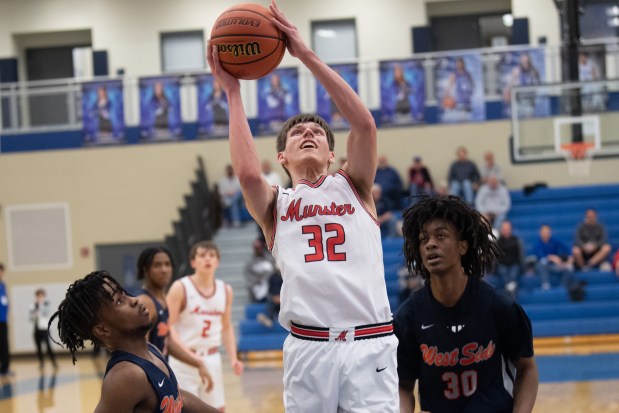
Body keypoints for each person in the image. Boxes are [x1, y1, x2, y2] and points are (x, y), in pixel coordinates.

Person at [206, 1, 399, 410]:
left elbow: (364, 125)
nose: (307, 132)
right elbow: (247, 176)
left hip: (370, 344)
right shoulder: (276, 205)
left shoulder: (355, 185)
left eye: (317, 131)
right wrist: (233, 91)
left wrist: (305, 54)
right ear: (282, 158)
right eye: (297, 133)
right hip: (309, 349)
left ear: (333, 154)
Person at [394, 195, 538, 413]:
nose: (431, 243)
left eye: (441, 236)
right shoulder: (407, 317)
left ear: (463, 246)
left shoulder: (499, 306)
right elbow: (403, 385)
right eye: (424, 239)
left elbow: (527, 368)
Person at [47, 271, 220, 413]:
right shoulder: (126, 376)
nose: (134, 300)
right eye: (119, 301)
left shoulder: (151, 350)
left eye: (124, 294)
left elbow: (179, 398)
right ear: (102, 330)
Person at [166, 241, 243, 411]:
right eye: (202, 255)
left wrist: (233, 358)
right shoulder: (180, 287)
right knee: (182, 409)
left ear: (218, 261)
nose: (207, 259)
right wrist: (188, 356)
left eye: (212, 255)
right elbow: (168, 327)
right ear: (193, 262)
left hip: (211, 358)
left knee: (216, 409)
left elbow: (226, 327)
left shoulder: (226, 290)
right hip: (184, 360)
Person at [135, 247, 213, 392]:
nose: (164, 269)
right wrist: (165, 377)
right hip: (148, 381)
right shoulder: (146, 302)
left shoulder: (163, 299)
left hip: (158, 375)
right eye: (157, 265)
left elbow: (167, 342)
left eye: (167, 264)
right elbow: (141, 350)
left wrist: (197, 363)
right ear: (145, 269)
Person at [533, 224, 579, 296]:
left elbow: (567, 248)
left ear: (550, 232)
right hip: (543, 265)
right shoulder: (537, 244)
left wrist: (570, 257)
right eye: (544, 232)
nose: (545, 234)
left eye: (547, 232)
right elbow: (540, 255)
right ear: (540, 233)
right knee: (541, 264)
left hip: (554, 265)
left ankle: (562, 286)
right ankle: (545, 284)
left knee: (568, 268)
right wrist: (551, 257)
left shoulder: (554, 241)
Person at [29, 289, 57, 370]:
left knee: (48, 347)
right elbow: (31, 317)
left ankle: (54, 362)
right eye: (38, 296)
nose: (40, 297)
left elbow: (45, 313)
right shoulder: (33, 305)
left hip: (44, 329)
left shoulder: (46, 303)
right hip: (36, 328)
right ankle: (41, 362)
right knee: (38, 347)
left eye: (41, 296)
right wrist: (36, 312)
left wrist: (39, 308)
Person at [496, 220, 525, 297]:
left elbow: (521, 256)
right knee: (503, 271)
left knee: (513, 272)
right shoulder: (498, 242)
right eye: (504, 229)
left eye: (507, 228)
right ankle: (511, 288)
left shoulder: (516, 241)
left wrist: (524, 267)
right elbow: (495, 258)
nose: (506, 230)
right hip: (502, 265)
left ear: (511, 229)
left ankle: (509, 289)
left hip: (514, 264)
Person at [243, 237, 276, 303]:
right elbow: (247, 274)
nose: (258, 250)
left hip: (269, 286)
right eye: (256, 248)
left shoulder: (269, 259)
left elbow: (274, 271)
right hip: (256, 286)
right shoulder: (250, 261)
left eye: (259, 248)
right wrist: (256, 280)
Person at [0, 263, 11, 377]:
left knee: (4, 345)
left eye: (1, 271)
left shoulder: (3, 285)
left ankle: (5, 369)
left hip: (3, 321)